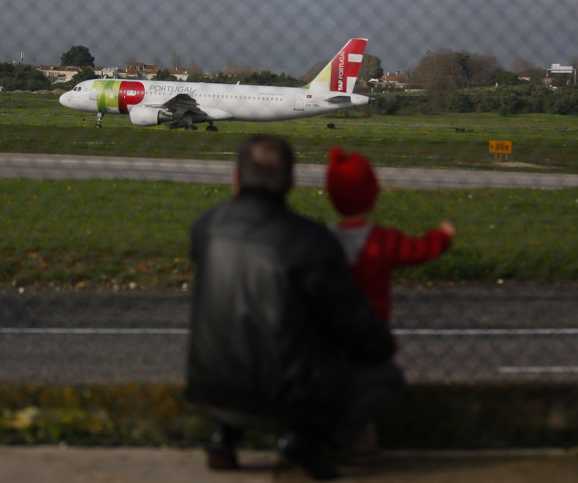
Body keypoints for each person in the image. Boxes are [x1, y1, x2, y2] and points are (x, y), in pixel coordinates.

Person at [186, 135, 404, 480]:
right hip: (285, 395)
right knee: (386, 377)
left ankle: (222, 438)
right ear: (292, 183)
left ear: (235, 178)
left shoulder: (206, 228)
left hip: (212, 386)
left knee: (237, 328)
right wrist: (382, 345)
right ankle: (306, 441)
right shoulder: (310, 241)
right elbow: (350, 318)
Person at [325, 146, 457, 325]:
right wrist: (443, 235)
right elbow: (420, 250)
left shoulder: (320, 239)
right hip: (370, 330)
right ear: (373, 198)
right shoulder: (383, 241)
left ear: (332, 198)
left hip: (329, 328)